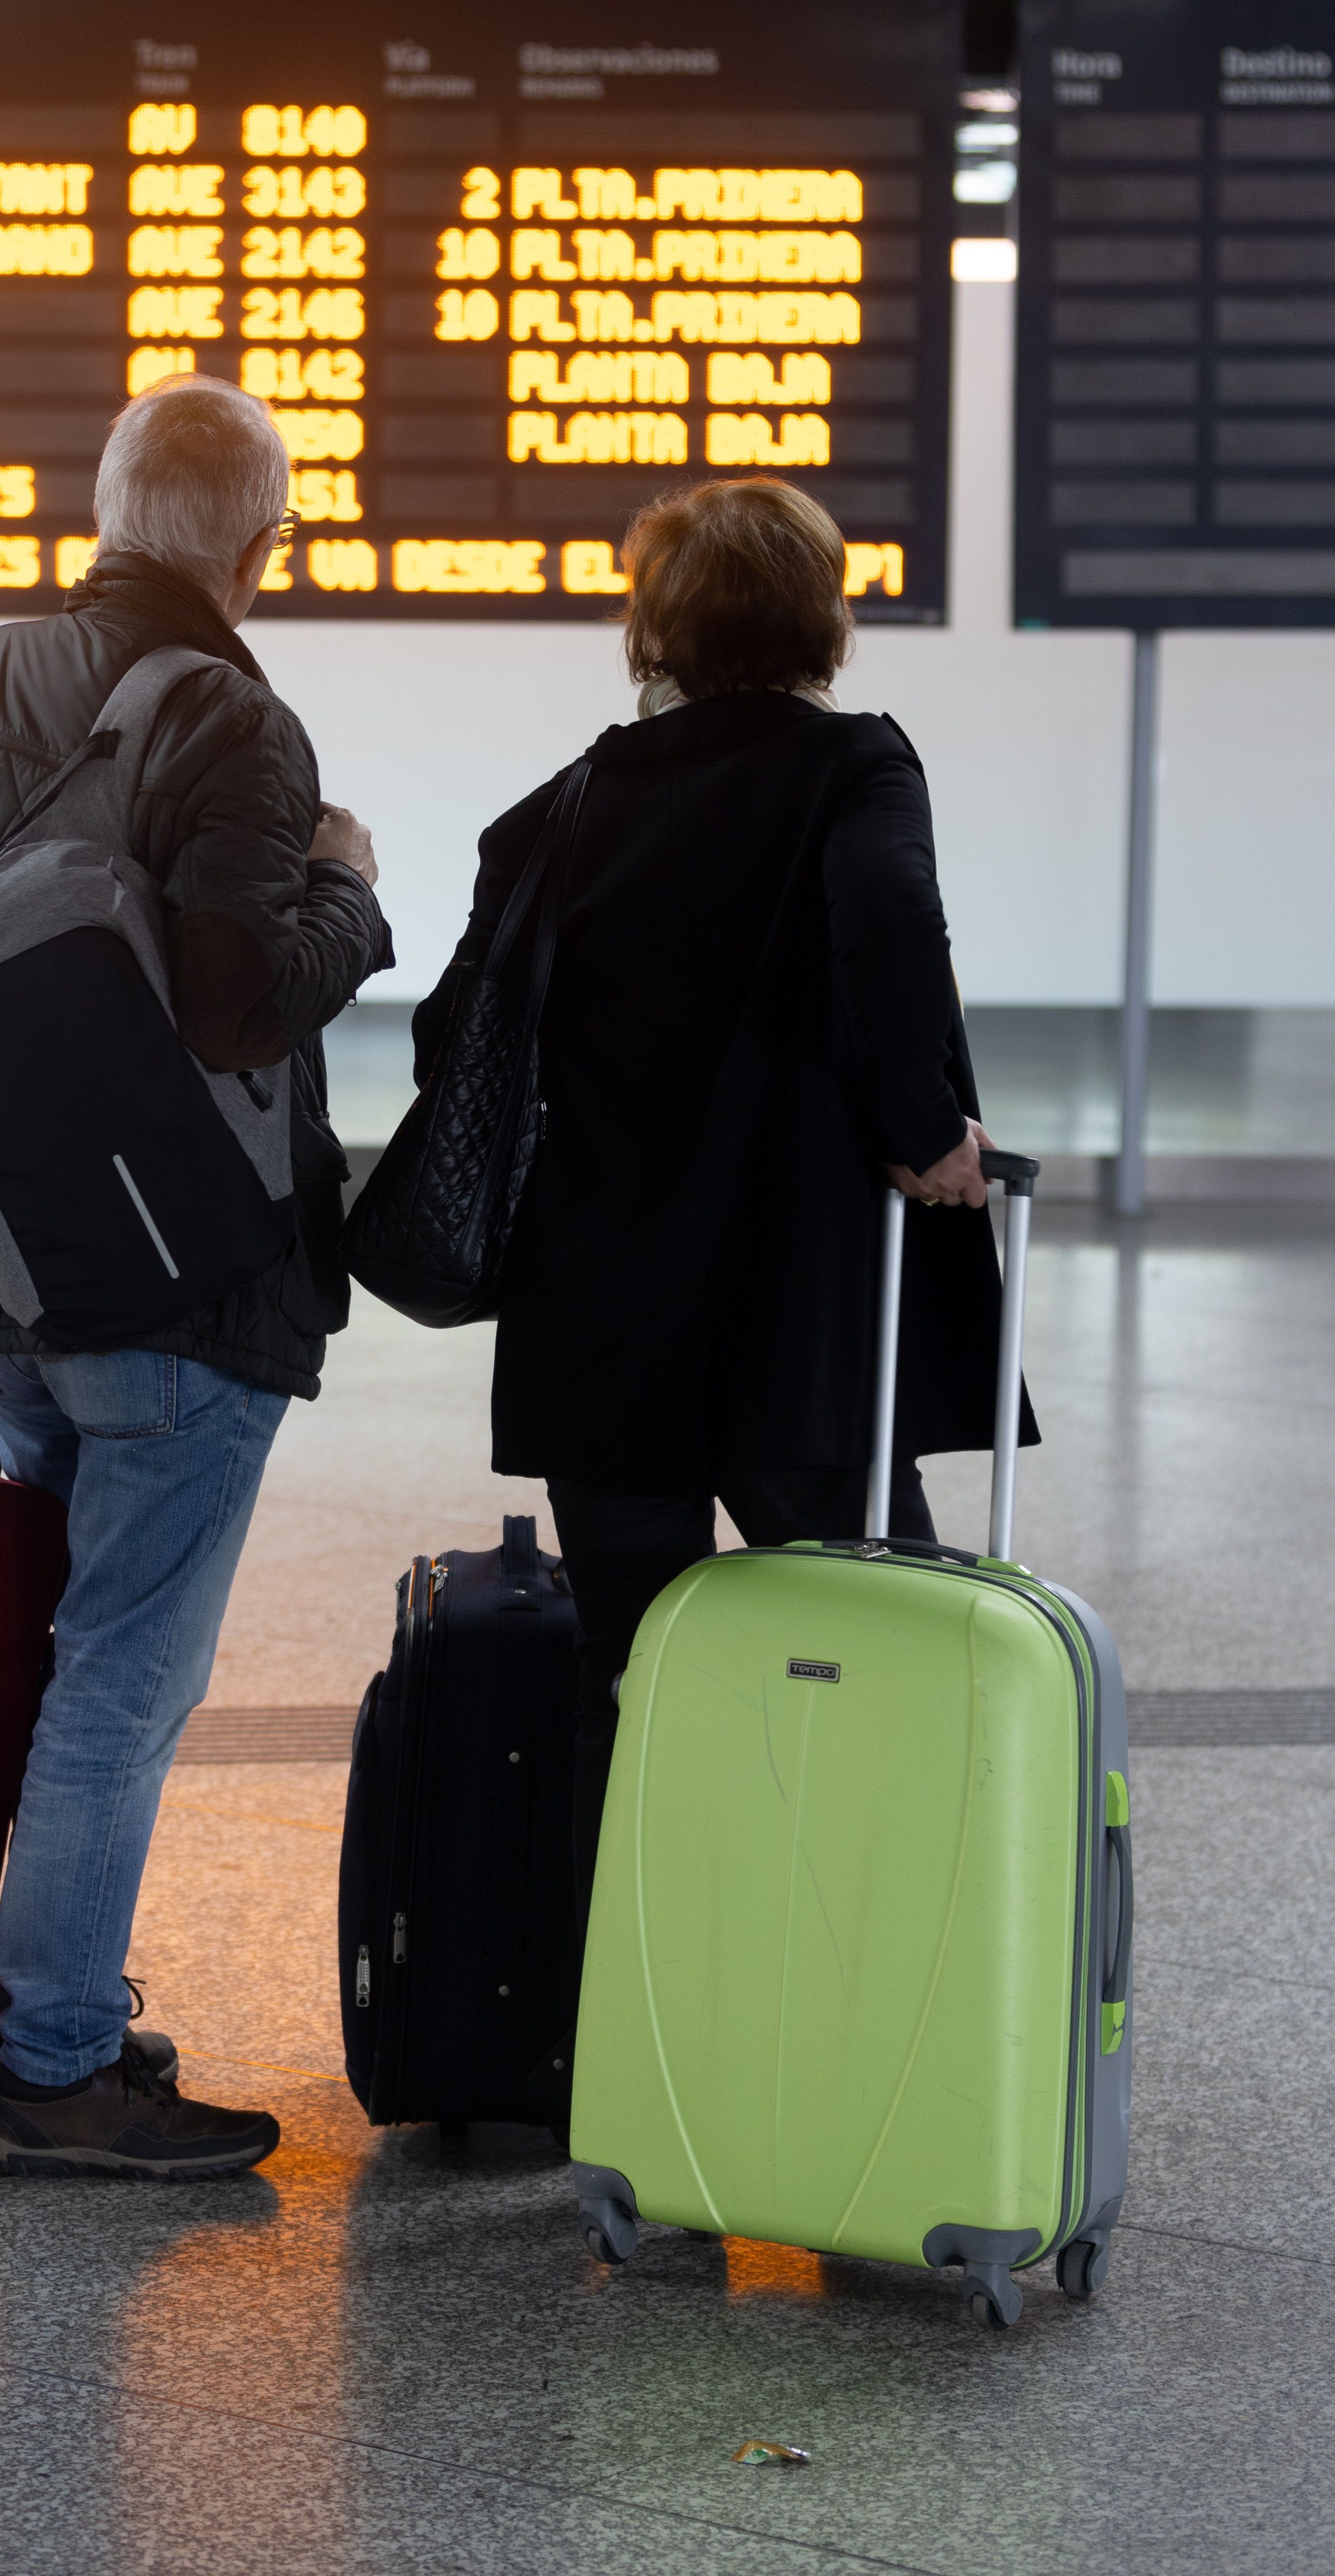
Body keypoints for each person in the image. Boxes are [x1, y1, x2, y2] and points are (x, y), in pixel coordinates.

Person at [0, 376, 390, 2181]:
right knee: (123, 1682)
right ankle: (60, 2068)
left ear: (106, 510)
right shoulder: (237, 720)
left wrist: (6, 1150)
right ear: (260, 546)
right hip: (172, 1297)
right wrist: (348, 895)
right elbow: (236, 1002)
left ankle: (27, 2010)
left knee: (49, 1651)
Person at [412, 476, 1029, 2012]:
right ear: (820, 622)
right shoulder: (853, 768)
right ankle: (867, 2011)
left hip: (601, 1319)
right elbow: (888, 924)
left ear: (656, 629)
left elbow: (452, 1032)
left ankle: (622, 2031)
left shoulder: (565, 807)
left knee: (629, 1673)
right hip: (798, 1324)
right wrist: (922, 1127)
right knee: (881, 1643)